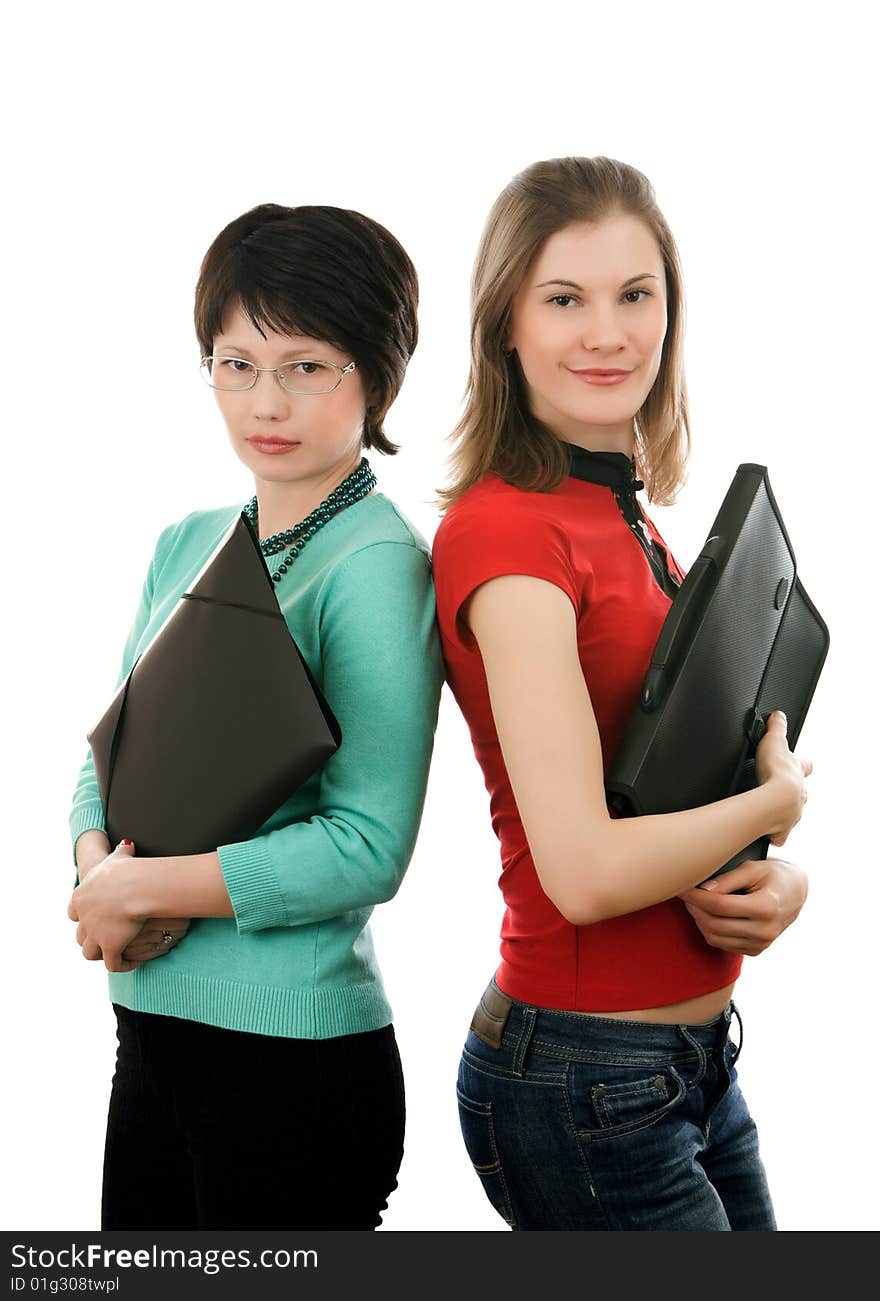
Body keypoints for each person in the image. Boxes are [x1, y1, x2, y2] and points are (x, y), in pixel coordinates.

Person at [431, 156, 812, 1231]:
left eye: (634, 295)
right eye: (564, 299)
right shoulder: (511, 536)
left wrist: (768, 884)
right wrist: (770, 810)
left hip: (683, 1069)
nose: (607, 333)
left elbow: (665, 784)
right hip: (586, 1081)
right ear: (505, 324)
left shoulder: (619, 512)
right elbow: (587, 870)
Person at [67, 202, 443, 1230]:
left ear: (377, 371)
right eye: (235, 363)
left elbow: (367, 845)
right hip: (149, 1041)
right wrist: (98, 873)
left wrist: (141, 884)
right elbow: (107, 757)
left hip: (293, 1068)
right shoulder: (186, 541)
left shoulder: (375, 566)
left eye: (306, 365)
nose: (263, 401)